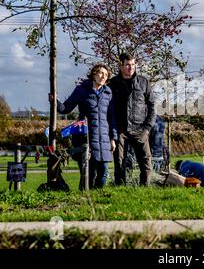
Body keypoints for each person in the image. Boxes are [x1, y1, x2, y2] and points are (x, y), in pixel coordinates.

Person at [50, 63, 117, 189]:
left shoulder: (108, 93)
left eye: (106, 75)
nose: (103, 76)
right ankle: (84, 199)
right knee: (88, 174)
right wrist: (55, 102)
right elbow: (66, 108)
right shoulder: (81, 90)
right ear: (94, 74)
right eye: (101, 73)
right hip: (86, 138)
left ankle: (98, 196)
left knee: (104, 173)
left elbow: (111, 117)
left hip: (104, 139)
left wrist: (113, 139)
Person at [108, 52, 156, 186]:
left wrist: (147, 128)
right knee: (119, 162)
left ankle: (144, 189)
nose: (131, 67)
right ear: (121, 65)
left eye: (133, 64)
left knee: (146, 162)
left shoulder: (143, 82)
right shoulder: (113, 83)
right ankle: (121, 189)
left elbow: (152, 106)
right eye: (128, 65)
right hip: (120, 130)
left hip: (140, 129)